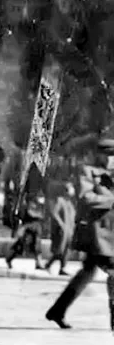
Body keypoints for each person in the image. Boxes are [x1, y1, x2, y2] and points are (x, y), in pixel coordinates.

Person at [46, 139, 114, 330]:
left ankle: (58, 310)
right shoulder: (87, 172)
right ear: (99, 155)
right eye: (108, 155)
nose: (111, 159)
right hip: (96, 234)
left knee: (88, 272)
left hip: (110, 234)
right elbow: (85, 198)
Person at [45, 182, 76, 275]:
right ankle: (50, 265)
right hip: (63, 230)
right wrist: (61, 224)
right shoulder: (60, 201)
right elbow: (55, 213)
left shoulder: (70, 203)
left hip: (70, 230)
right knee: (60, 250)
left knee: (66, 250)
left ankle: (61, 268)